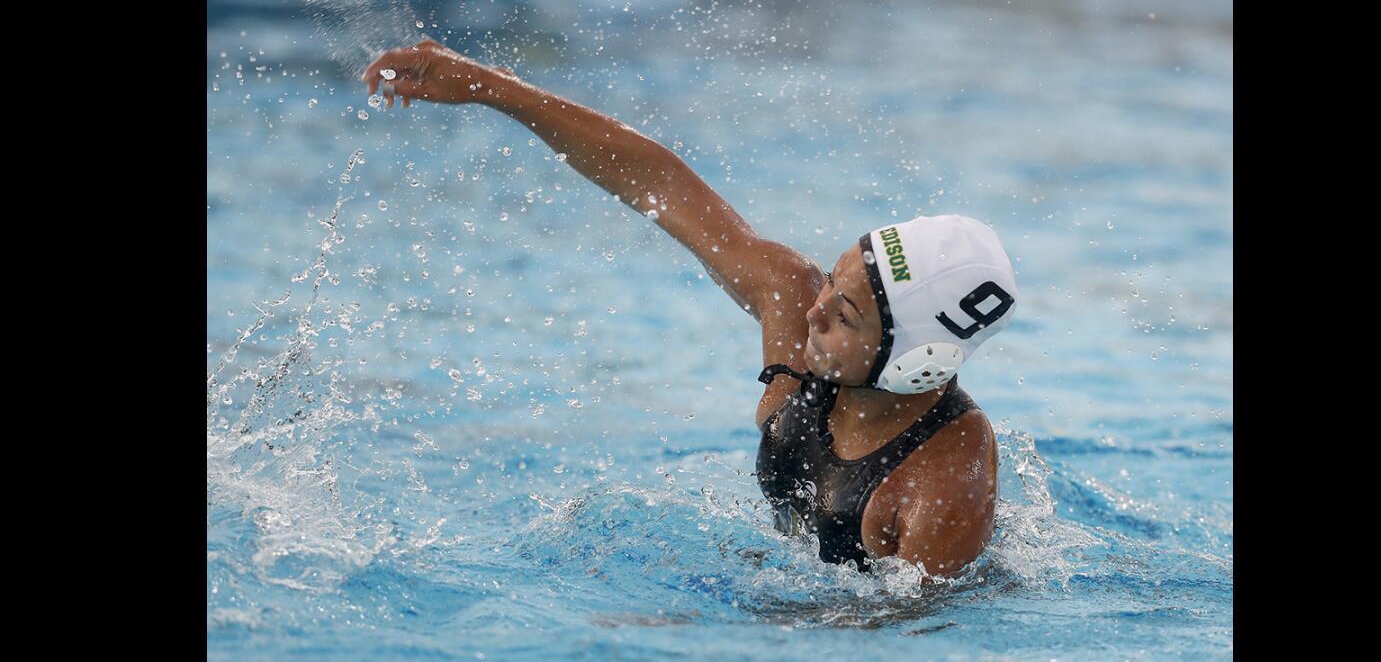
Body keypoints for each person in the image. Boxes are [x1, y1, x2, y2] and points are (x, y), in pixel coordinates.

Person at [362, 40, 1019, 577]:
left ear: (915, 360)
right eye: (831, 284)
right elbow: (657, 185)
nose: (813, 312)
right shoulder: (799, 309)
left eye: (844, 315)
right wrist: (494, 89)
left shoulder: (942, 482)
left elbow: (913, 639)